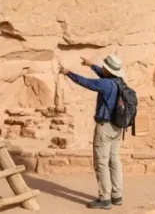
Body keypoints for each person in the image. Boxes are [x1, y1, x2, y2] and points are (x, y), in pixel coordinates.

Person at [59, 55, 126, 210]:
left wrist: (68, 72)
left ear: (109, 71)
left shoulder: (105, 84)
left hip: (105, 127)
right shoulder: (119, 82)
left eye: (104, 68)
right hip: (117, 127)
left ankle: (105, 199)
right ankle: (117, 195)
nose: (102, 69)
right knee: (114, 161)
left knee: (101, 163)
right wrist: (91, 65)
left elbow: (86, 82)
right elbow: (103, 75)